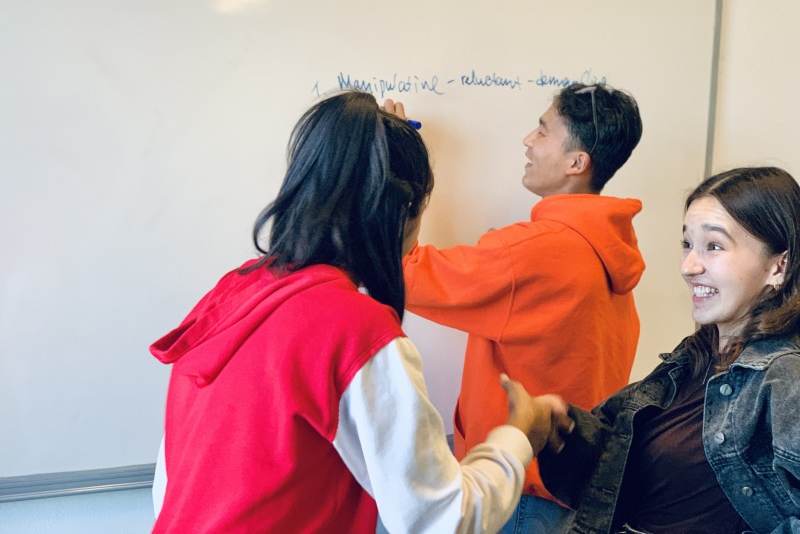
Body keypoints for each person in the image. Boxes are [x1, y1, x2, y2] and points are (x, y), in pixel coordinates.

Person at [149, 90, 573, 534]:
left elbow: (171, 485)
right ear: (405, 212)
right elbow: (442, 519)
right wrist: (519, 435)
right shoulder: (355, 330)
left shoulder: (232, 292)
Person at [386, 82, 645, 533]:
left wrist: (397, 160)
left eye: (543, 131)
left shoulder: (534, 252)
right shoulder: (610, 255)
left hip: (518, 495)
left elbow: (399, 269)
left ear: (577, 163)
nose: (528, 140)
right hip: (569, 491)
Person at [538, 166, 800, 534]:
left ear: (778, 266)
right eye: (687, 244)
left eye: (714, 246)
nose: (689, 267)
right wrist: (561, 430)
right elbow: (618, 481)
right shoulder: (696, 356)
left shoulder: (786, 374)